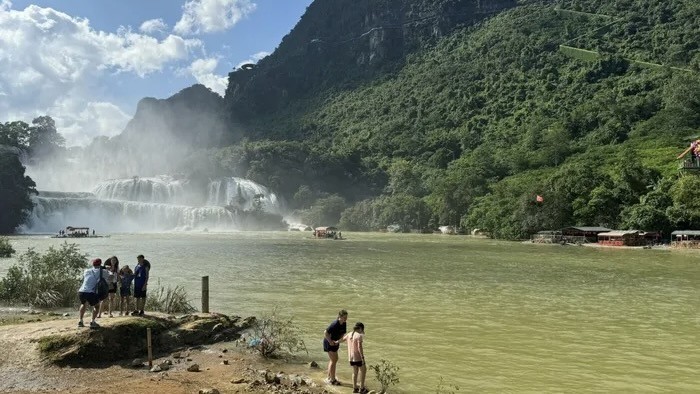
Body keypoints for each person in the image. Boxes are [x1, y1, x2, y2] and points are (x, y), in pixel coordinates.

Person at [77, 258, 110, 328]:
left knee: (83, 304)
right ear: (100, 264)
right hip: (91, 292)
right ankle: (92, 322)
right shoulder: (103, 271)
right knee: (97, 306)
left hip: (81, 291)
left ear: (93, 264)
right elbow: (109, 276)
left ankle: (80, 320)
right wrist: (106, 269)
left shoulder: (86, 271)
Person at [323, 309, 348, 385]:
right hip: (328, 342)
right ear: (340, 317)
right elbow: (325, 332)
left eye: (346, 317)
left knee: (334, 360)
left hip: (335, 343)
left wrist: (339, 341)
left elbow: (342, 334)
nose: (346, 319)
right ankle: (332, 380)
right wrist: (330, 342)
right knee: (334, 360)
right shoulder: (335, 324)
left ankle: (329, 377)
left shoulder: (344, 323)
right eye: (344, 317)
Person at [342, 322, 367, 394]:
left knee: (355, 372)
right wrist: (362, 357)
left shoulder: (349, 334)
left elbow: (342, 339)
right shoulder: (359, 336)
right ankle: (361, 388)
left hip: (351, 357)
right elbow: (359, 347)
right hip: (358, 357)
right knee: (364, 370)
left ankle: (354, 388)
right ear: (361, 328)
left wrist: (335, 342)